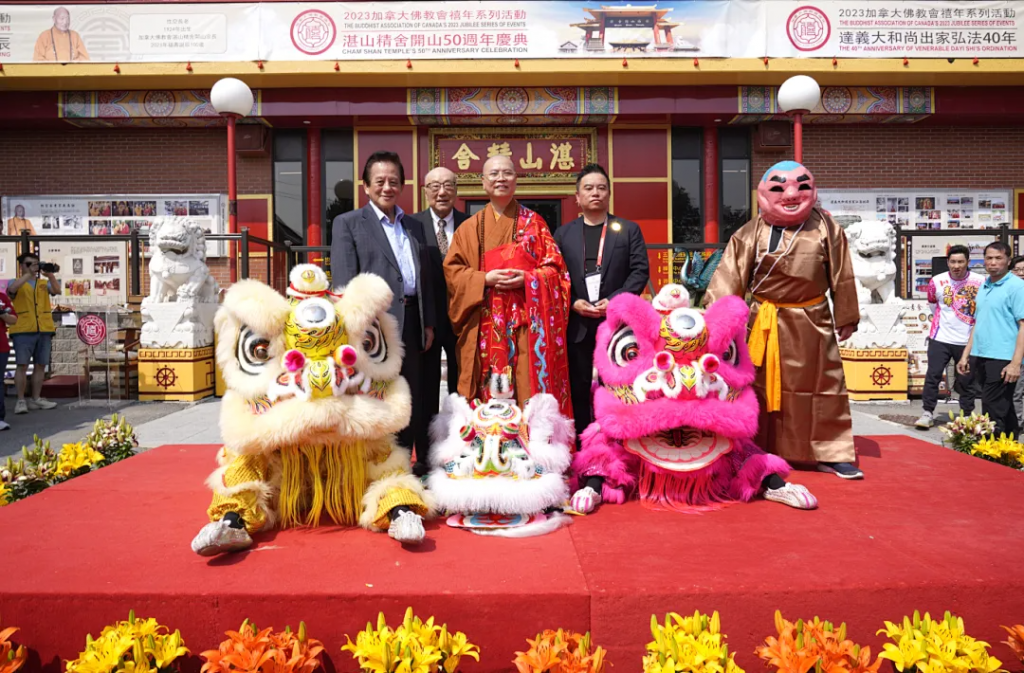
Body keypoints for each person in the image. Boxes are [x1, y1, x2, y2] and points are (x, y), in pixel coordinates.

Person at [704, 160, 863, 479]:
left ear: (812, 190)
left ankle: (830, 451)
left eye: (800, 186)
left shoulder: (827, 228)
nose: (791, 193)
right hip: (763, 321)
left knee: (823, 387)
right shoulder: (750, 232)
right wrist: (715, 324)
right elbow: (728, 278)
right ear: (764, 193)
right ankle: (754, 447)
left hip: (812, 321)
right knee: (757, 388)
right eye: (779, 187)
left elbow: (842, 275)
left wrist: (846, 315)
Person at [443, 155, 572, 416]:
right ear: (482, 182)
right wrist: (484, 279)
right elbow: (453, 272)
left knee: (527, 385)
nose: (500, 178)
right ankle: (486, 444)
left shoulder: (535, 224)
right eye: (493, 174)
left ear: (516, 180)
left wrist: (528, 279)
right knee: (487, 389)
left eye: (507, 173)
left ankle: (531, 446)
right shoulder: (469, 229)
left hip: (526, 324)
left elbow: (558, 273)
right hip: (485, 325)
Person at [330, 150, 434, 455]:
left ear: (402, 185)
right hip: (376, 326)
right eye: (380, 181)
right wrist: (356, 330)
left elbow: (422, 276)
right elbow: (344, 282)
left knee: (410, 394)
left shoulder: (414, 225)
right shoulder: (348, 223)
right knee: (377, 396)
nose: (387, 187)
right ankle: (378, 462)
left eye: (394, 181)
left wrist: (428, 322)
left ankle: (405, 460)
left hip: (413, 320)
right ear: (365, 186)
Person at [554, 163, 650, 439]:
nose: (595, 193)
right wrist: (572, 301)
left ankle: (618, 439)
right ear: (577, 197)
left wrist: (615, 300)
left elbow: (639, 271)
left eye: (601, 188)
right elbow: (555, 275)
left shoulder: (627, 230)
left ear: (608, 193)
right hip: (578, 322)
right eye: (588, 188)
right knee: (579, 385)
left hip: (615, 323)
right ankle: (586, 443)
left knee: (617, 384)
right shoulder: (563, 234)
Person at [413, 166, 469, 476]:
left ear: (456, 190)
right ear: (425, 190)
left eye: (448, 185)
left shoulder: (470, 224)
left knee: (460, 389)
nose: (441, 191)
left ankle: (459, 449)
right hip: (426, 321)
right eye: (434, 185)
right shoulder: (412, 225)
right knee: (425, 388)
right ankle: (425, 456)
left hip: (463, 320)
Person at [957, 243, 1024, 437]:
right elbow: (978, 322)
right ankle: (1010, 452)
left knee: (992, 408)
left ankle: (991, 454)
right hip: (981, 354)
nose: (993, 263)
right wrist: (966, 354)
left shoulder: (1017, 287)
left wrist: (1015, 363)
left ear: (1008, 261)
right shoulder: (985, 285)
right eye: (989, 258)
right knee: (1004, 406)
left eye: (999, 258)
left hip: (1003, 357)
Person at [915, 245, 983, 429]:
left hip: (968, 340)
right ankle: (927, 412)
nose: (956, 265)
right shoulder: (937, 281)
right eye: (953, 262)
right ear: (947, 262)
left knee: (966, 380)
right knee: (933, 376)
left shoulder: (981, 281)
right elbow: (932, 304)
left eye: (961, 261)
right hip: (940, 338)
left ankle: (967, 415)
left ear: (968, 262)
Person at [7, 253, 60, 414]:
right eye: (30, 264)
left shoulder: (43, 283)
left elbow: (57, 290)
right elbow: (12, 290)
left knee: (40, 365)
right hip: (23, 329)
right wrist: (28, 274)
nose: (34, 267)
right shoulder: (15, 282)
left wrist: (50, 274)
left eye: (36, 264)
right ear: (22, 265)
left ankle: (36, 399)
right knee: (22, 365)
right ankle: (21, 400)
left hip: (43, 328)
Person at [0, 291, 16, 431]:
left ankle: (0, 418)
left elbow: (13, 319)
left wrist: (2, 313)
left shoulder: (2, 297)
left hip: (1, 347)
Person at [1011, 256, 1024, 425]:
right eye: (1017, 270)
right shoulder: (1010, 292)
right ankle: (1018, 423)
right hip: (1016, 350)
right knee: (1016, 392)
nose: (1021, 273)